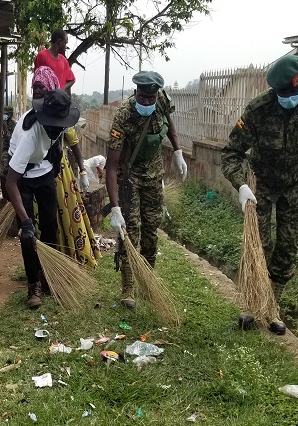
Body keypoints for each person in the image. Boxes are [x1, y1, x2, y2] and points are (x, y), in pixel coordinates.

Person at [221, 55, 298, 335]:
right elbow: (231, 153)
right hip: (262, 185)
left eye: (291, 93)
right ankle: (252, 304)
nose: (286, 99)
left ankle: (272, 307)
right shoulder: (258, 110)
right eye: (281, 94)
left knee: (287, 246)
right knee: (259, 244)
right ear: (274, 91)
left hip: (297, 184)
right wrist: (241, 185)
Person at [105, 71, 188, 309]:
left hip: (154, 177)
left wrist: (178, 150)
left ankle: (148, 280)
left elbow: (169, 123)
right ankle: (128, 287)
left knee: (152, 230)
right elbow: (111, 166)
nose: (147, 102)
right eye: (142, 98)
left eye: (150, 98)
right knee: (131, 232)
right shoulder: (123, 116)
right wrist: (116, 207)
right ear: (135, 93)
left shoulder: (162, 100)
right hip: (130, 178)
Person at [6, 88, 80, 309]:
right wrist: (26, 222)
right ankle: (33, 284)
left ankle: (50, 276)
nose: (58, 129)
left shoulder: (59, 126)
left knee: (50, 225)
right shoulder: (30, 136)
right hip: (22, 177)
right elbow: (11, 183)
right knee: (29, 236)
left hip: (44, 171)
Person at [31, 66, 101, 272]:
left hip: (60, 174)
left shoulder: (61, 117)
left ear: (50, 89)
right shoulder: (32, 117)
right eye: (35, 88)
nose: (37, 92)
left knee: (67, 215)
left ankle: (70, 259)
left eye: (41, 88)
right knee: (44, 220)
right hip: (36, 174)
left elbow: (74, 144)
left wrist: (82, 171)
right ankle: (46, 267)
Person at [34, 29, 75, 94]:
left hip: (58, 101)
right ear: (59, 41)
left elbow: (72, 80)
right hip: (45, 100)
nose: (66, 47)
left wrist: (61, 90)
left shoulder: (64, 61)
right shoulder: (42, 56)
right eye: (65, 43)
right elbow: (36, 79)